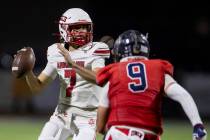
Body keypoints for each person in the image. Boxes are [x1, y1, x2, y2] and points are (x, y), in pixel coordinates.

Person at [59, 29, 207, 140]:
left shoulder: (114, 71)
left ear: (119, 52)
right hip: (150, 136)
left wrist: (103, 129)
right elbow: (183, 95)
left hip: (119, 133)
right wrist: (197, 125)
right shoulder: (157, 68)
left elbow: (101, 119)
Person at [17, 8, 110, 140]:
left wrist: (73, 64)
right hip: (62, 114)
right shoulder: (56, 51)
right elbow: (37, 87)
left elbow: (99, 78)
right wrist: (28, 72)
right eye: (77, 28)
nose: (82, 31)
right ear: (64, 29)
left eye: (85, 27)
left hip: (88, 116)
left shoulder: (95, 50)